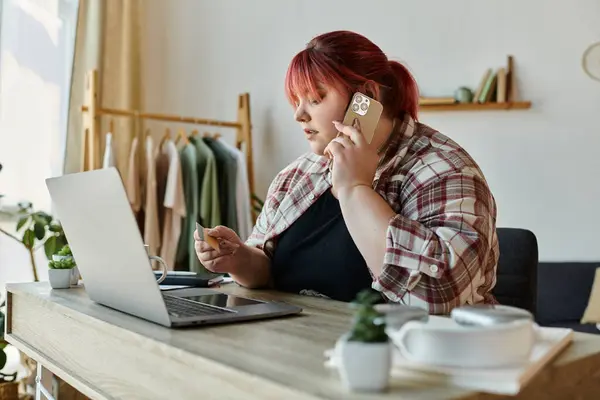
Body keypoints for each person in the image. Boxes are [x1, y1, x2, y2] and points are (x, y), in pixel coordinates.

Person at [194, 30, 499, 314]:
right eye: (296, 102)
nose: (299, 115)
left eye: (315, 99)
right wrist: (240, 259)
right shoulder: (298, 175)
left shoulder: (445, 169)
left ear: (364, 99)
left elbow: (438, 297)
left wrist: (356, 189)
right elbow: (269, 269)